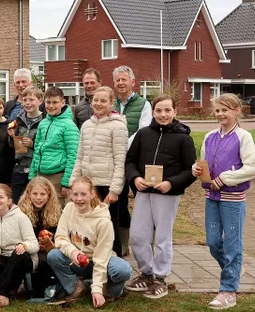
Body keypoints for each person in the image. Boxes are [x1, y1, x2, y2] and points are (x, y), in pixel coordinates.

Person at [125, 94, 197, 299]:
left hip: (166, 194)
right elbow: (129, 161)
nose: (163, 114)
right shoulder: (143, 134)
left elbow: (190, 170)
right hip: (144, 191)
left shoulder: (183, 138)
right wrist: (135, 178)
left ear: (175, 112)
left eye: (167, 110)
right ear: (153, 112)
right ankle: (146, 273)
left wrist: (171, 183)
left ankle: (160, 278)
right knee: (138, 235)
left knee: (163, 238)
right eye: (158, 110)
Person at [192, 93, 255, 310]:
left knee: (232, 243)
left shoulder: (243, 137)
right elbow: (204, 162)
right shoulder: (210, 136)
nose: (220, 114)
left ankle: (228, 291)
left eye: (225, 110)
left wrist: (226, 179)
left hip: (233, 199)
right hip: (211, 197)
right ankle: (235, 267)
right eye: (218, 110)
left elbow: (253, 168)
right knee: (212, 242)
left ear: (237, 110)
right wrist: (196, 170)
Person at [46, 177, 132, 307]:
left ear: (92, 194)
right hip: (78, 261)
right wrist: (73, 251)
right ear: (70, 195)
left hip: (101, 260)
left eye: (83, 194)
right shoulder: (69, 209)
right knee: (53, 255)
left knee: (122, 269)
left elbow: (102, 256)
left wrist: (97, 288)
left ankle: (110, 292)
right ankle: (77, 287)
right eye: (75, 194)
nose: (79, 199)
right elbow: (60, 237)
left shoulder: (103, 221)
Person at [69, 86, 128, 256]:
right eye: (96, 100)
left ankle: (113, 268)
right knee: (89, 228)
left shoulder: (118, 127)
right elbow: (80, 156)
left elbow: (120, 160)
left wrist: (115, 190)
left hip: (107, 185)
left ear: (111, 103)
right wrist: (74, 183)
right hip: (89, 186)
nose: (98, 103)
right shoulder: (87, 125)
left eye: (103, 100)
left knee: (109, 228)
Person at [0, 184, 38, 307]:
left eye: (0, 197)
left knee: (18, 253)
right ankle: (12, 286)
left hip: (24, 258)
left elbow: (34, 244)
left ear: (9, 201)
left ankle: (0, 291)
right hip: (4, 258)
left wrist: (24, 245)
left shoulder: (21, 217)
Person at [112, 65, 152, 255]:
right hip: (115, 161)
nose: (121, 83)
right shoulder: (111, 104)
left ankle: (148, 244)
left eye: (124, 79)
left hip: (135, 160)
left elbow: (143, 131)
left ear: (133, 82)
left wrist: (122, 144)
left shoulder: (144, 104)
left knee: (143, 201)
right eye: (117, 80)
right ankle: (124, 244)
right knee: (118, 202)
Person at [28, 86, 79, 207]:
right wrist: (32, 175)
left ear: (62, 102)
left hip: (58, 175)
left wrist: (66, 183)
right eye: (48, 102)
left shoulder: (69, 126)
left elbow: (73, 156)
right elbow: (37, 151)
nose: (51, 106)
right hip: (40, 174)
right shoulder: (43, 123)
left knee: (56, 210)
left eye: (55, 102)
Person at [18, 176, 62, 298]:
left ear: (49, 195)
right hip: (28, 248)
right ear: (28, 194)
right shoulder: (21, 212)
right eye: (35, 193)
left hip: (47, 250)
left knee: (47, 259)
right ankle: (27, 285)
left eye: (42, 194)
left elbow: (60, 235)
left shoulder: (57, 212)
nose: (38, 198)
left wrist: (49, 241)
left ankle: (46, 287)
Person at [8, 86, 45, 203]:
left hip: (35, 168)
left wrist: (32, 144)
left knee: (34, 202)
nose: (28, 103)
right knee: (16, 202)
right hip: (19, 168)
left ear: (40, 101)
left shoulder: (45, 121)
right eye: (25, 100)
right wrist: (11, 137)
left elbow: (47, 146)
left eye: (31, 100)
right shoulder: (18, 120)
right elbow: (12, 146)